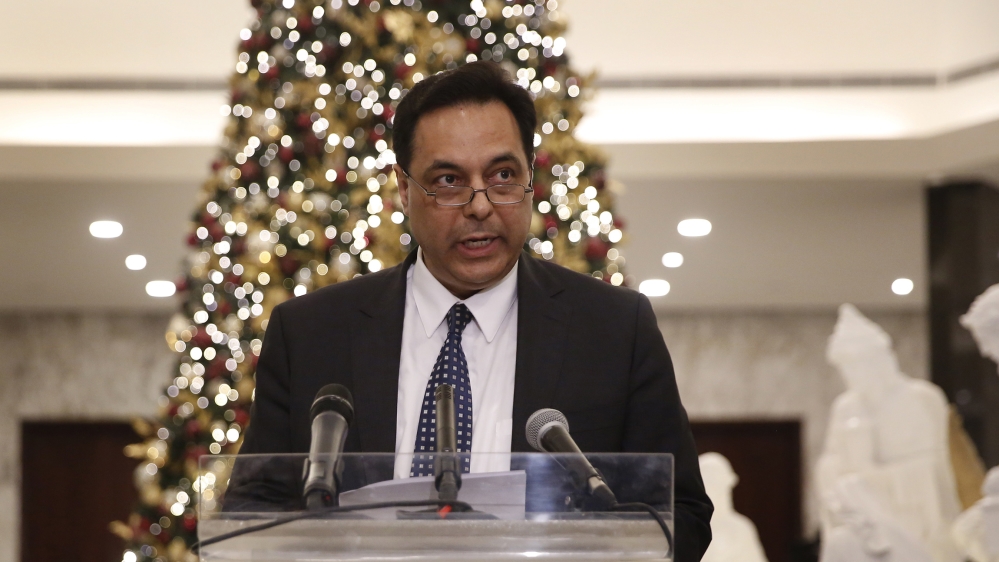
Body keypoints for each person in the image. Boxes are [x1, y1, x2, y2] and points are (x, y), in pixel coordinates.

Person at [238, 61, 712, 561]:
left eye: (503, 176)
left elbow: (681, 513)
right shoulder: (312, 333)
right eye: (448, 181)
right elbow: (251, 511)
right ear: (403, 188)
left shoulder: (615, 329)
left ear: (531, 177)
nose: (480, 205)